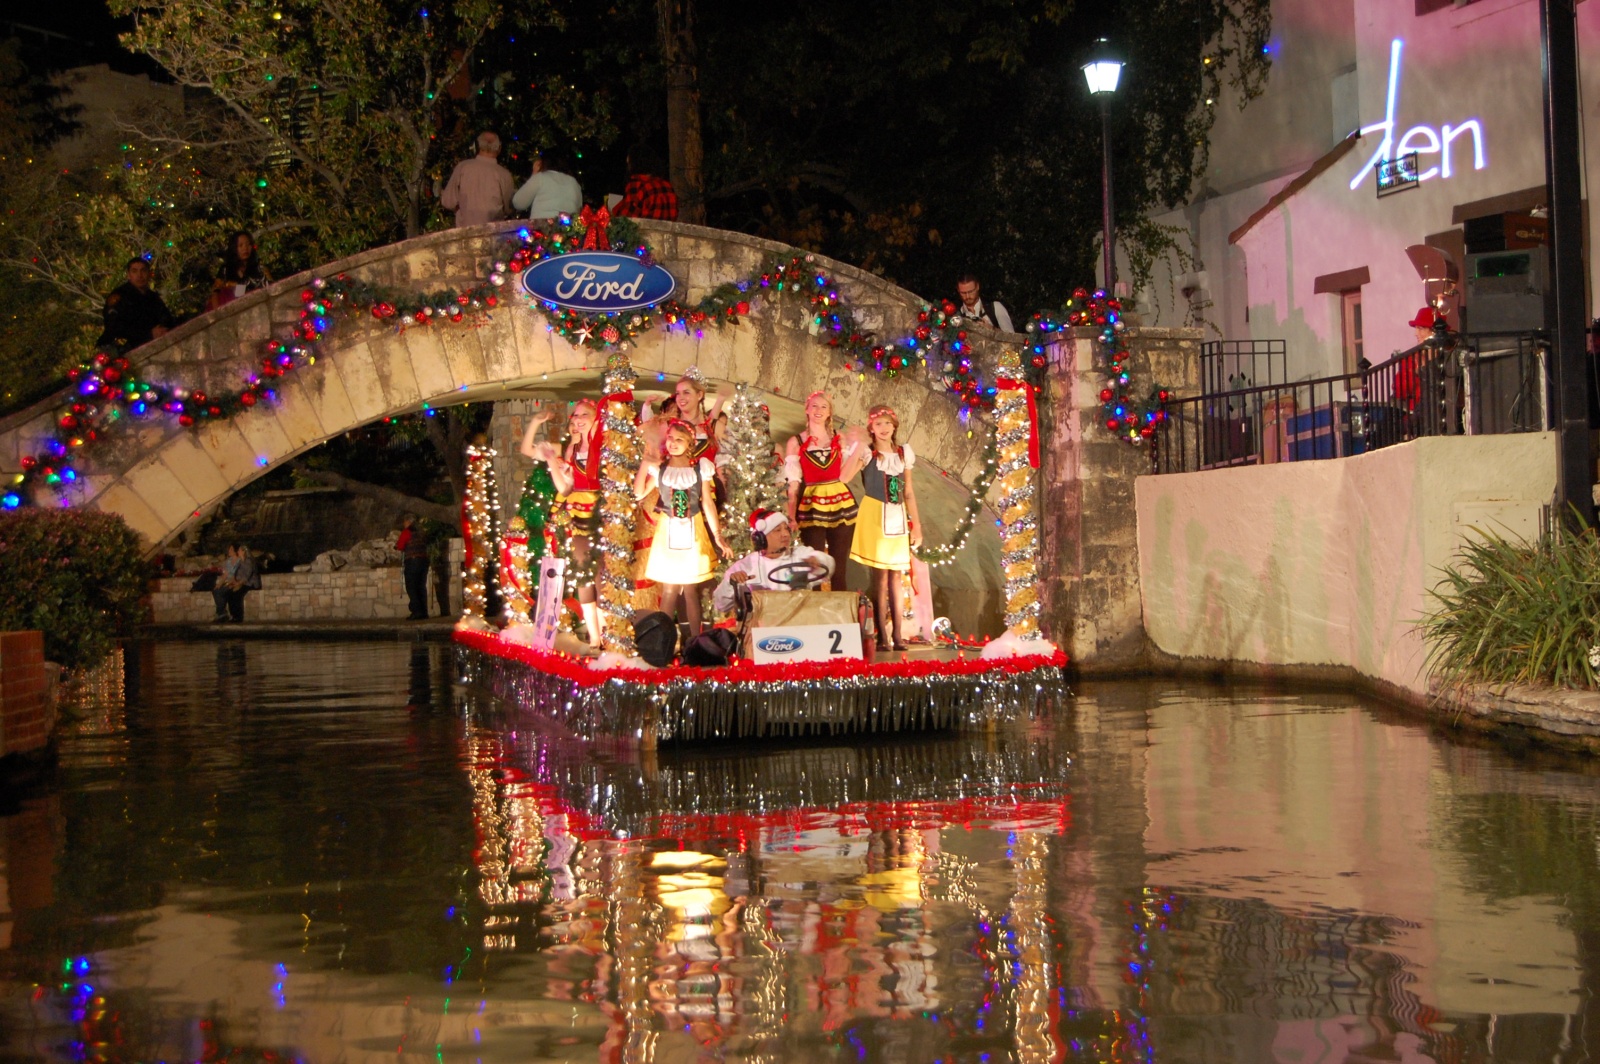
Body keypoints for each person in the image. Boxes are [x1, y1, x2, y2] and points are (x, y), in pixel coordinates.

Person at [634, 419, 730, 637]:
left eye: (680, 439)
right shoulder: (660, 469)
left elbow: (707, 502)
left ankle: (695, 641)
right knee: (668, 590)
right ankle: (663, 641)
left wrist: (717, 535)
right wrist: (644, 463)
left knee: (690, 591)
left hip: (693, 533)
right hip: (667, 534)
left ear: (690, 443)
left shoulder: (700, 469)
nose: (673, 443)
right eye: (670, 438)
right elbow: (639, 493)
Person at [848, 406, 922, 652]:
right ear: (871, 428)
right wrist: (856, 450)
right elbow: (844, 477)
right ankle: (883, 637)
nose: (883, 428)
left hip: (897, 516)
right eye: (878, 424)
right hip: (874, 515)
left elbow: (908, 492)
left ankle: (897, 634)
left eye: (887, 423)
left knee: (897, 577)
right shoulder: (868, 454)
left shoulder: (903, 454)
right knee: (880, 578)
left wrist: (917, 526)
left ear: (894, 426)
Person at [543, 400, 605, 647]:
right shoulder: (572, 450)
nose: (578, 419)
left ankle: (611, 632)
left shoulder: (607, 446)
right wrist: (551, 462)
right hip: (580, 518)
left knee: (604, 575)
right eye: (575, 415)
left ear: (597, 418)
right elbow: (566, 488)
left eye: (585, 415)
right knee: (584, 574)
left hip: (606, 516)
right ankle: (595, 637)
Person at [784, 390, 859, 590]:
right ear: (807, 410)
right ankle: (815, 616)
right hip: (812, 506)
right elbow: (793, 484)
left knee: (840, 566)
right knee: (814, 566)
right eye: (814, 406)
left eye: (823, 407)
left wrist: (859, 451)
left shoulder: (839, 438)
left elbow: (846, 473)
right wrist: (791, 515)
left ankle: (843, 617)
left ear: (829, 413)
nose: (818, 410)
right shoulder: (796, 442)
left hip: (841, 504)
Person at [712, 510, 834, 614]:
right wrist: (731, 583)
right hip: (763, 631)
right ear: (761, 538)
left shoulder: (799, 555)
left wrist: (817, 561)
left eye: (786, 529)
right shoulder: (745, 565)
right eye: (777, 530)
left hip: (800, 623)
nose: (785, 534)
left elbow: (828, 564)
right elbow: (720, 605)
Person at [439, 131, 516, 227]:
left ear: (477, 146)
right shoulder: (504, 174)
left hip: (465, 232)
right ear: (499, 148)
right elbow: (509, 208)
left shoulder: (463, 167)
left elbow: (448, 201)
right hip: (493, 233)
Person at [98, 257, 175, 351]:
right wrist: (149, 334)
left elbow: (166, 318)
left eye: (143, 271)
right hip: (122, 348)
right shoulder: (119, 296)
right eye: (135, 271)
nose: (140, 275)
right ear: (129, 275)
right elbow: (114, 327)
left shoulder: (153, 298)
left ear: (149, 274)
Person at [206, 230, 272, 311]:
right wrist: (217, 313)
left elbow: (271, 289)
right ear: (234, 248)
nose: (245, 248)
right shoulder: (226, 270)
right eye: (241, 245)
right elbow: (215, 292)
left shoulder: (261, 269)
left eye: (248, 244)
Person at [511, 150, 583, 222]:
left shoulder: (540, 178)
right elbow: (579, 210)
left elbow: (518, 203)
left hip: (541, 228)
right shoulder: (573, 182)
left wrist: (534, 174)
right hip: (567, 230)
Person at [669, 370, 723, 462]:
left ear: (699, 395)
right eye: (678, 393)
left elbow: (726, 467)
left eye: (686, 392)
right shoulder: (668, 424)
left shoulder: (715, 427)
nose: (681, 397)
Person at [613, 150, 678, 220]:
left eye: (629, 164)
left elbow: (627, 219)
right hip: (667, 230)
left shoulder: (637, 185)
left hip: (645, 229)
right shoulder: (667, 186)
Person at [212, 543, 259, 623]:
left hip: (249, 583)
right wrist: (232, 583)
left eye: (240, 550)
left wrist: (237, 584)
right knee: (226, 592)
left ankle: (237, 617)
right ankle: (228, 615)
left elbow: (246, 576)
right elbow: (234, 575)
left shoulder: (248, 561)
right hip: (240, 582)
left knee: (235, 594)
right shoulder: (240, 562)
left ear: (244, 552)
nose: (238, 551)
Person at [395, 514, 431, 620]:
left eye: (405, 522)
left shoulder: (406, 532)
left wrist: (397, 546)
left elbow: (400, 546)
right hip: (424, 561)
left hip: (412, 561)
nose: (403, 524)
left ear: (408, 522)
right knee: (421, 586)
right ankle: (424, 612)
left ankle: (416, 612)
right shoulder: (421, 532)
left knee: (411, 587)